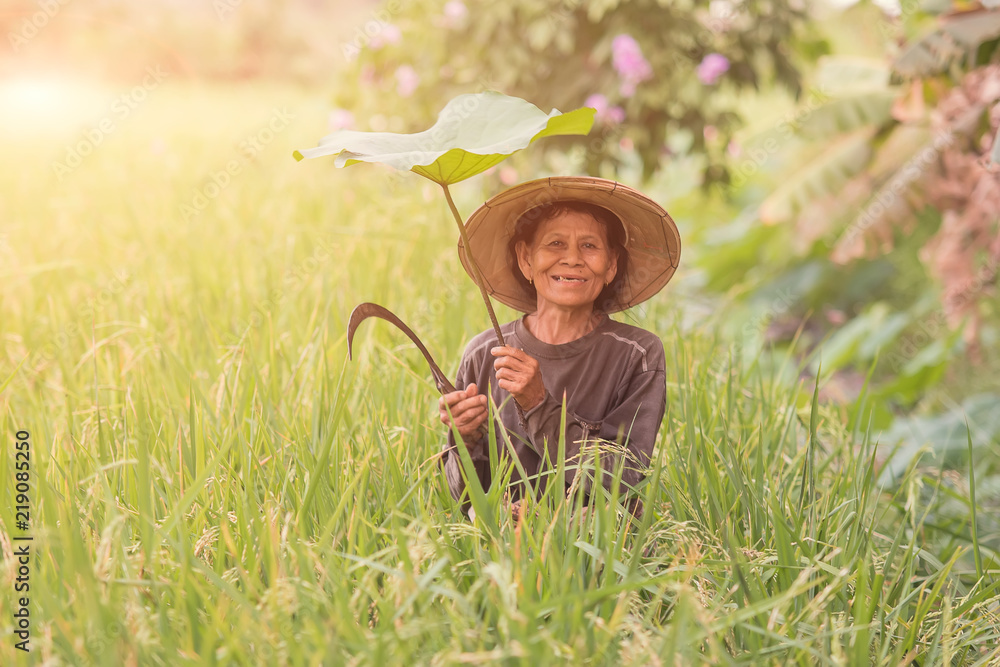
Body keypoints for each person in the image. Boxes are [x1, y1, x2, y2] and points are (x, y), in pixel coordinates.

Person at [438, 176, 681, 516]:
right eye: (554, 244)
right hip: (504, 555)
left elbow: (623, 477)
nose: (572, 259)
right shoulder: (485, 353)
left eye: (589, 246)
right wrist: (463, 438)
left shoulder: (636, 354)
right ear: (525, 259)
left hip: (596, 556)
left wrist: (539, 404)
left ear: (611, 265)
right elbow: (462, 500)